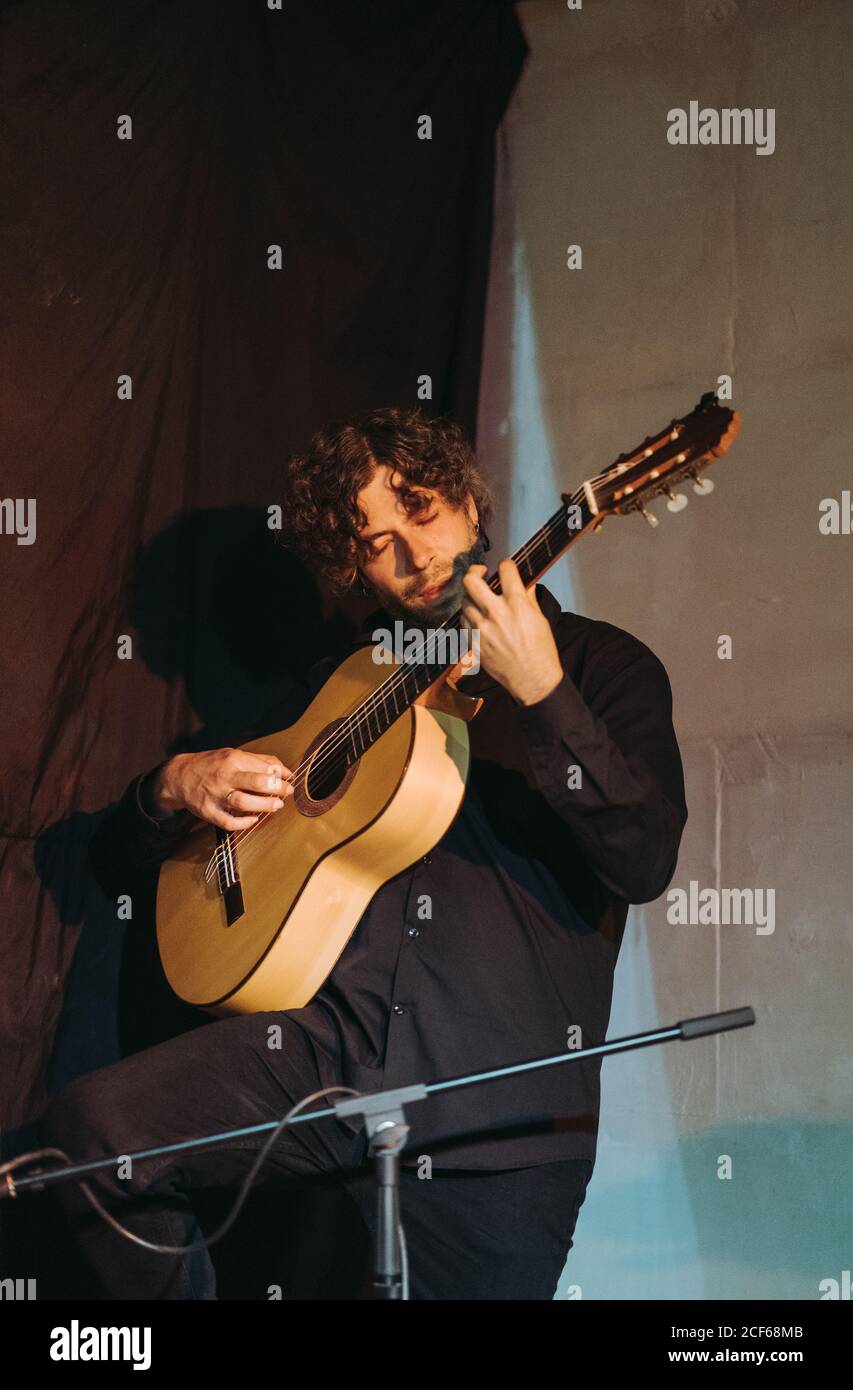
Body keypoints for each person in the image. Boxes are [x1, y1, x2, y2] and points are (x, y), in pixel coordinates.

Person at [40, 406, 687, 1300]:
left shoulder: (604, 668)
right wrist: (173, 785)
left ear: (467, 498)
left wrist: (542, 694)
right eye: (375, 542)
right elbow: (145, 853)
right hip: (320, 1065)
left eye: (419, 510)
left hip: (494, 1117)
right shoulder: (347, 686)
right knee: (96, 1132)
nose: (413, 557)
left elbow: (643, 860)